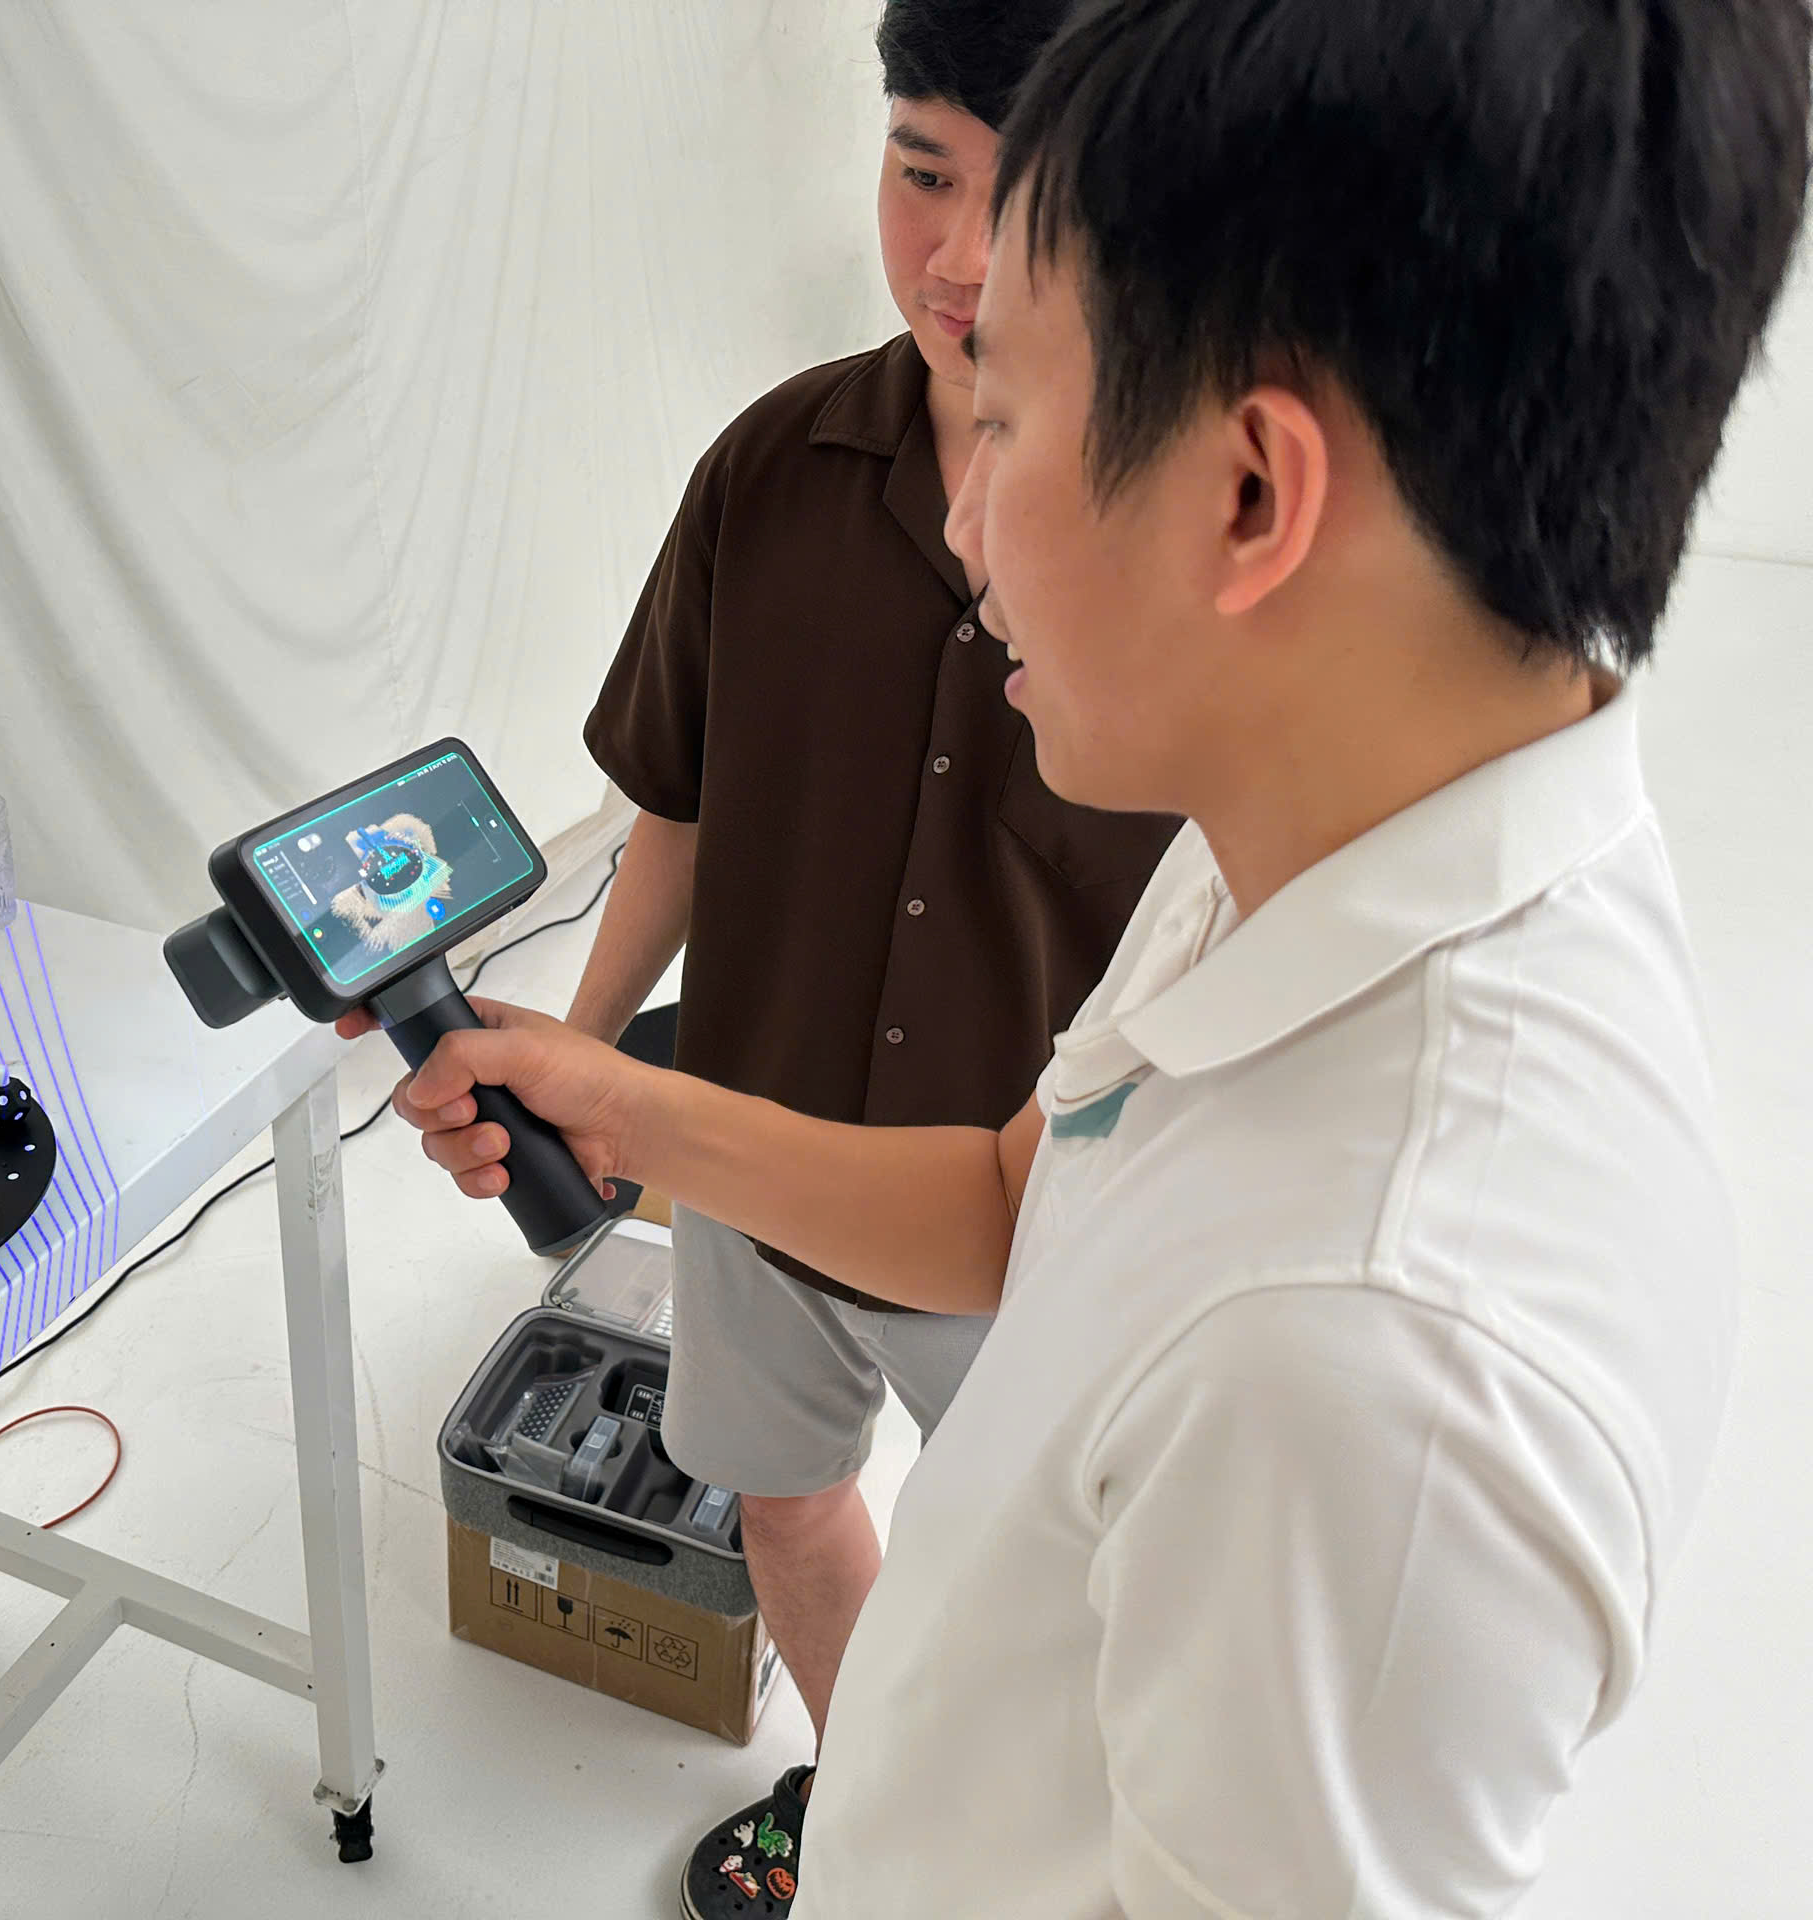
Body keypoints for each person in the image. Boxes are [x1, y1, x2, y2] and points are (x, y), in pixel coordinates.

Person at [361, 0, 1812, 1910]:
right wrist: (626, 1100)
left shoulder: (1372, 1379)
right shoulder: (1301, 850)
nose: (962, 526)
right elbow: (1007, 1205)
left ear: (1251, 493)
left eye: (1011, 418)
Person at [562, 3, 1175, 1903]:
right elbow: (676, 803)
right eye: (920, 173)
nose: (958, 258)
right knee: (787, 1501)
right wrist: (589, 1055)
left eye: (1026, 194)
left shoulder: (1186, 550)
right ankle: (871, 1812)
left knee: (1056, 1620)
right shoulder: (768, 470)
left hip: (1038, 1227)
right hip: (747, 1161)